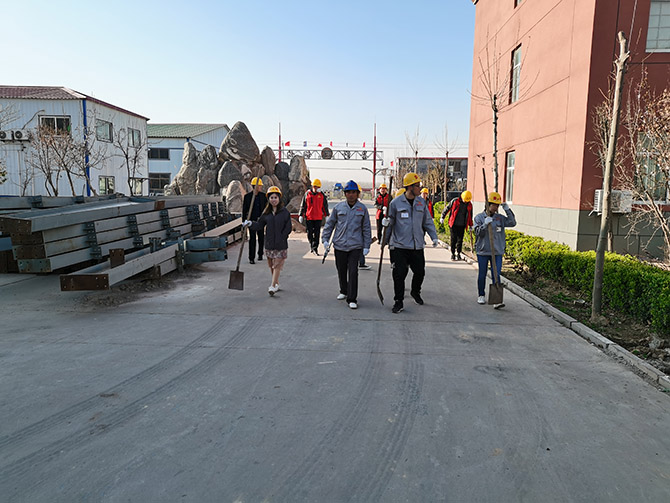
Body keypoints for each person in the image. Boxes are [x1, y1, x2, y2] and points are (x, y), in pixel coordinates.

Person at [381, 172, 438, 314]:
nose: (420, 189)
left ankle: (415, 291)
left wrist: (434, 236)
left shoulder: (421, 203)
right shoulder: (395, 203)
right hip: (399, 246)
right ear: (410, 187)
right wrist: (384, 240)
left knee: (420, 272)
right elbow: (390, 223)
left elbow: (427, 221)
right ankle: (398, 301)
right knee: (399, 274)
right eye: (417, 186)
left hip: (416, 245)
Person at [322, 180, 372, 309]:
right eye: (349, 192)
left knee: (353, 272)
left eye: (354, 192)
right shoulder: (338, 208)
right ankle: (344, 290)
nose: (351, 195)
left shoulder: (362, 209)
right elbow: (330, 224)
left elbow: (366, 228)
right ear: (345, 194)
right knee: (341, 269)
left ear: (357, 194)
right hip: (340, 245)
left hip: (355, 246)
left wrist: (367, 246)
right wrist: (325, 239)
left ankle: (352, 298)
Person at [243, 186, 292, 296]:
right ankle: (276, 283)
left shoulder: (285, 213)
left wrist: (282, 237)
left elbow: (288, 228)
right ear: (268, 199)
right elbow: (259, 225)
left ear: (279, 198)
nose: (273, 200)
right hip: (269, 243)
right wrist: (250, 223)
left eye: (275, 197)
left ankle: (272, 286)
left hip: (281, 244)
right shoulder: (266, 213)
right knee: (271, 265)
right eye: (271, 197)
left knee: (277, 265)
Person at [473, 192, 516, 308]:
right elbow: (478, 233)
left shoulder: (499, 218)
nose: (496, 207)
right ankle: (481, 295)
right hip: (483, 251)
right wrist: (484, 225)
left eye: (498, 205)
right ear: (488, 205)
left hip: (497, 251)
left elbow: (512, 223)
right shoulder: (479, 218)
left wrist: (507, 210)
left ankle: (496, 300)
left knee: (496, 275)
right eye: (494, 205)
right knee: (482, 274)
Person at [440, 190, 474, 261]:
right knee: (453, 239)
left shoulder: (469, 205)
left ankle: (458, 253)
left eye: (467, 201)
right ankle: (453, 254)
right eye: (465, 201)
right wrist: (442, 217)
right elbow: (447, 208)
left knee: (460, 240)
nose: (466, 202)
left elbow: (470, 215)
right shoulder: (455, 201)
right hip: (453, 224)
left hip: (462, 225)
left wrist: (471, 225)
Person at [299, 179, 329, 255]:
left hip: (318, 218)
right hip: (309, 217)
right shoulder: (307, 194)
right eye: (315, 187)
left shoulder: (321, 195)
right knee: (309, 233)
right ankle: (312, 244)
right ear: (312, 186)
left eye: (317, 187)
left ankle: (315, 248)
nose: (316, 188)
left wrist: (326, 215)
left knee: (317, 234)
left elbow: (324, 206)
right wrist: (301, 215)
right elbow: (303, 205)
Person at [242, 177, 268, 264]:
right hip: (251, 221)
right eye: (260, 186)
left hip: (260, 220)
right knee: (252, 239)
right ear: (255, 186)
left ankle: (260, 254)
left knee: (261, 238)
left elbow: (266, 208)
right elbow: (244, 210)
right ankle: (251, 258)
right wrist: (244, 221)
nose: (261, 187)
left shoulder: (263, 196)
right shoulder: (247, 197)